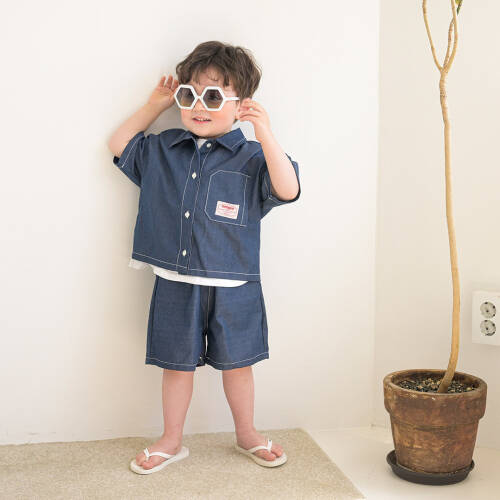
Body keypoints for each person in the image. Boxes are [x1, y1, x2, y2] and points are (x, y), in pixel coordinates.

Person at [107, 41, 301, 475]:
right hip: (175, 280)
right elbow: (119, 145)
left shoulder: (253, 157)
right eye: (188, 95)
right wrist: (155, 106)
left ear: (240, 105)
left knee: (239, 366)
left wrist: (265, 133)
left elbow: (287, 189)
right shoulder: (163, 149)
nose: (198, 106)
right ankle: (171, 440)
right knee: (176, 366)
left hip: (235, 286)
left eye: (213, 96)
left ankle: (247, 434)